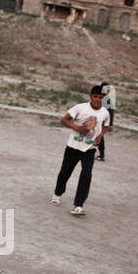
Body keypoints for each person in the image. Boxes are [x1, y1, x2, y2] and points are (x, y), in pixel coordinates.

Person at [51, 84, 108, 216]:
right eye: (95, 96)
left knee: (86, 176)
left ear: (103, 98)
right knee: (65, 172)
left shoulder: (104, 112)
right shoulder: (80, 108)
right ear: (90, 96)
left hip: (89, 149)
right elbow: (63, 119)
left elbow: (105, 126)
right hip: (73, 147)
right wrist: (77, 128)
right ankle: (57, 193)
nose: (97, 99)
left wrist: (100, 136)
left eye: (100, 97)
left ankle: (78, 205)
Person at [97, 81, 116, 162]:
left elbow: (111, 112)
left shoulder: (108, 99)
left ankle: (101, 155)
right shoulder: (99, 97)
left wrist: (110, 124)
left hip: (103, 122)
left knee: (100, 137)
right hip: (97, 120)